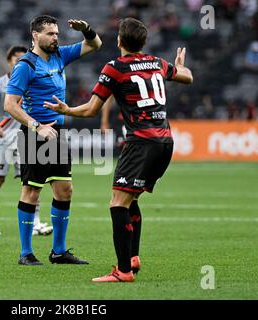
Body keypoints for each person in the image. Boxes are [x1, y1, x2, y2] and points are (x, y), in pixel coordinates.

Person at [45, 17, 193, 281]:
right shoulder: (157, 63)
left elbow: (91, 108)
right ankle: (133, 257)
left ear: (120, 41)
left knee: (117, 203)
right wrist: (180, 67)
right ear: (144, 42)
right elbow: (187, 77)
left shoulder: (115, 67)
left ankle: (123, 270)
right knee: (132, 198)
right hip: (165, 142)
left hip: (141, 143)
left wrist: (67, 110)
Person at [4, 15, 102, 265]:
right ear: (36, 36)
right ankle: (25, 253)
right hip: (34, 135)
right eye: (50, 34)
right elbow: (10, 105)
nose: (56, 38)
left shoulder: (60, 55)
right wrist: (37, 127)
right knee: (31, 191)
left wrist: (87, 29)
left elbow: (95, 45)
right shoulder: (25, 65)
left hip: (57, 134)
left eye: (57, 33)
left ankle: (58, 252)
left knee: (64, 189)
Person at [0, 45, 53, 236]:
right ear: (9, 61)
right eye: (16, 59)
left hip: (25, 136)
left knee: (31, 181)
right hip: (4, 138)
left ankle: (36, 222)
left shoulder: (31, 82)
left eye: (23, 59)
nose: (20, 62)